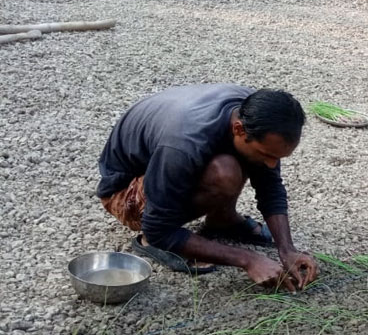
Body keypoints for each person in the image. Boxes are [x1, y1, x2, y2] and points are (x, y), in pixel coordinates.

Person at [96, 84, 319, 291]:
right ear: (239, 129)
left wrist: (287, 249)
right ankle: (152, 244)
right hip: (125, 192)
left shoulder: (253, 111)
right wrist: (248, 260)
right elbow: (158, 228)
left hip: (169, 162)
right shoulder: (184, 143)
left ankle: (223, 220)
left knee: (244, 160)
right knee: (224, 172)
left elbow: (270, 187)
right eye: (268, 155)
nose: (273, 164)